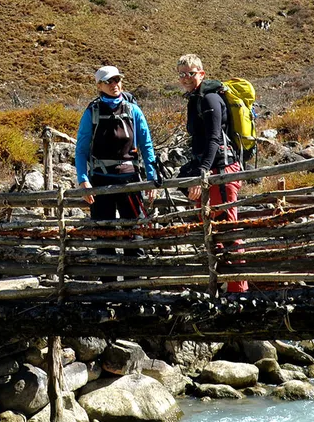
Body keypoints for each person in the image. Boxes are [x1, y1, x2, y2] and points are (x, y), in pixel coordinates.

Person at [75, 66, 157, 275]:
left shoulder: (132, 110)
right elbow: (82, 148)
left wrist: (152, 178)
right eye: (109, 82)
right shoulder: (92, 112)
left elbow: (147, 146)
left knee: (134, 232)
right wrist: (83, 180)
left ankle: (134, 283)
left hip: (130, 180)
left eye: (117, 80)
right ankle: (108, 284)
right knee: (104, 233)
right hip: (100, 181)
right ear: (99, 86)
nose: (114, 85)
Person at [177, 54, 248, 293]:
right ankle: (222, 287)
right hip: (210, 169)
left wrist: (203, 173)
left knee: (227, 230)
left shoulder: (209, 99)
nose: (186, 78)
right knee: (213, 230)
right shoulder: (194, 100)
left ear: (202, 74)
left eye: (191, 73)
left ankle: (238, 292)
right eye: (182, 74)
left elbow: (214, 139)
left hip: (221, 171)